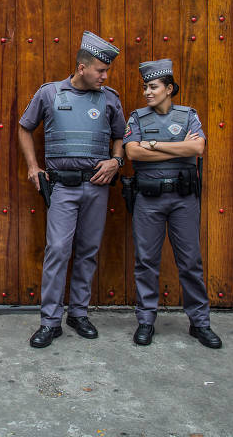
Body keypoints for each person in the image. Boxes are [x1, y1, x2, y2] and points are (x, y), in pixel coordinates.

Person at [19, 31, 126, 349]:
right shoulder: (49, 94)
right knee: (58, 251)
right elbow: (25, 127)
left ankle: (78, 314)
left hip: (97, 186)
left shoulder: (110, 98)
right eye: (100, 71)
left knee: (88, 252)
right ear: (82, 67)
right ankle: (50, 322)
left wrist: (116, 161)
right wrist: (32, 166)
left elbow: (120, 136)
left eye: (106, 72)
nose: (104, 77)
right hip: (62, 188)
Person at [122, 59, 222, 349]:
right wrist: (175, 149)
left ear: (169, 88)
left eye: (153, 87)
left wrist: (153, 145)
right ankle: (145, 321)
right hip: (148, 199)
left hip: (183, 199)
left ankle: (200, 323)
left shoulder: (188, 115)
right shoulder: (137, 118)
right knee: (146, 262)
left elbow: (197, 148)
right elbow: (132, 153)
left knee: (190, 262)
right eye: (145, 88)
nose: (147, 93)